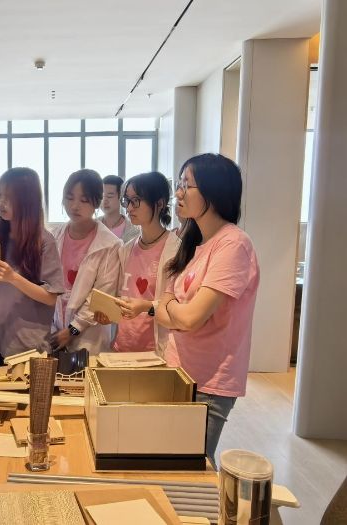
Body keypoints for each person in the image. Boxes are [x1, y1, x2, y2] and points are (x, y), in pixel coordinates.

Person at [156, 153, 260, 469]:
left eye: (186, 185)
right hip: (179, 368)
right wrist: (172, 308)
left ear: (214, 191)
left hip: (209, 381)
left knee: (192, 468)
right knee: (171, 461)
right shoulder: (195, 242)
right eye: (179, 184)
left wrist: (171, 306)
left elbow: (187, 318)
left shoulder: (233, 244)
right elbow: (163, 313)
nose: (178, 193)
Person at [0, 167, 64, 364]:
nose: (0, 202)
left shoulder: (44, 241)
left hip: (26, 343)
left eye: (8, 197)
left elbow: (50, 297)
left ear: (27, 200)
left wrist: (13, 277)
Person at [95, 172, 180, 356]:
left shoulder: (175, 250)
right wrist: (109, 313)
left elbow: (177, 304)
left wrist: (144, 306)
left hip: (155, 352)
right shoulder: (126, 249)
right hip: (121, 347)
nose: (129, 208)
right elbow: (123, 297)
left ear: (160, 203)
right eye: (127, 201)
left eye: (136, 201)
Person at [50, 169, 121, 355]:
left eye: (83, 200)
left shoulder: (110, 245)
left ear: (96, 202)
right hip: (55, 330)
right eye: (69, 198)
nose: (74, 206)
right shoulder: (54, 236)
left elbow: (100, 296)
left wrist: (72, 330)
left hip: (89, 337)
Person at [100, 175, 139, 242]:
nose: (104, 201)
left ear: (121, 197)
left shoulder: (134, 229)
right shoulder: (91, 226)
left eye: (109, 196)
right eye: (102, 196)